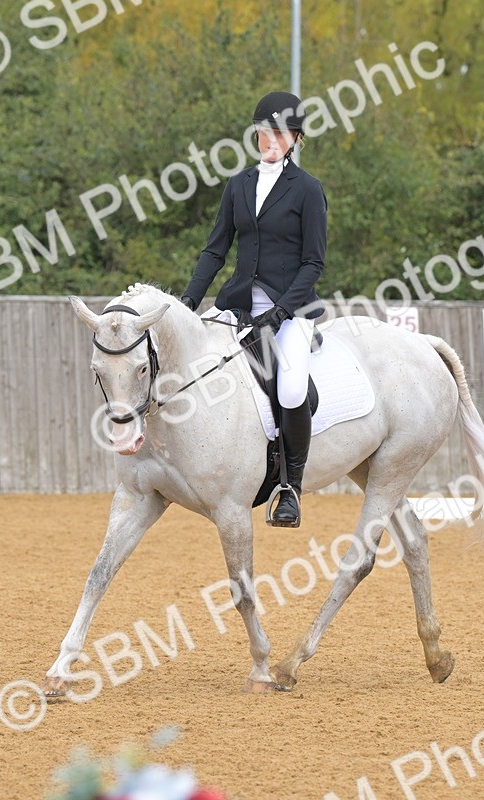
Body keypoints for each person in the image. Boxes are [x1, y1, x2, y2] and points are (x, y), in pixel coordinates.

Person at [180, 91, 327, 528]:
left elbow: (313, 263)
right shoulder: (239, 185)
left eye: (279, 132)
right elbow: (215, 251)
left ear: (295, 138)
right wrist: (188, 302)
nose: (269, 138)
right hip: (240, 309)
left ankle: (289, 489)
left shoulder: (307, 190)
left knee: (290, 390)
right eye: (264, 130)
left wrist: (281, 313)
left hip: (292, 312)